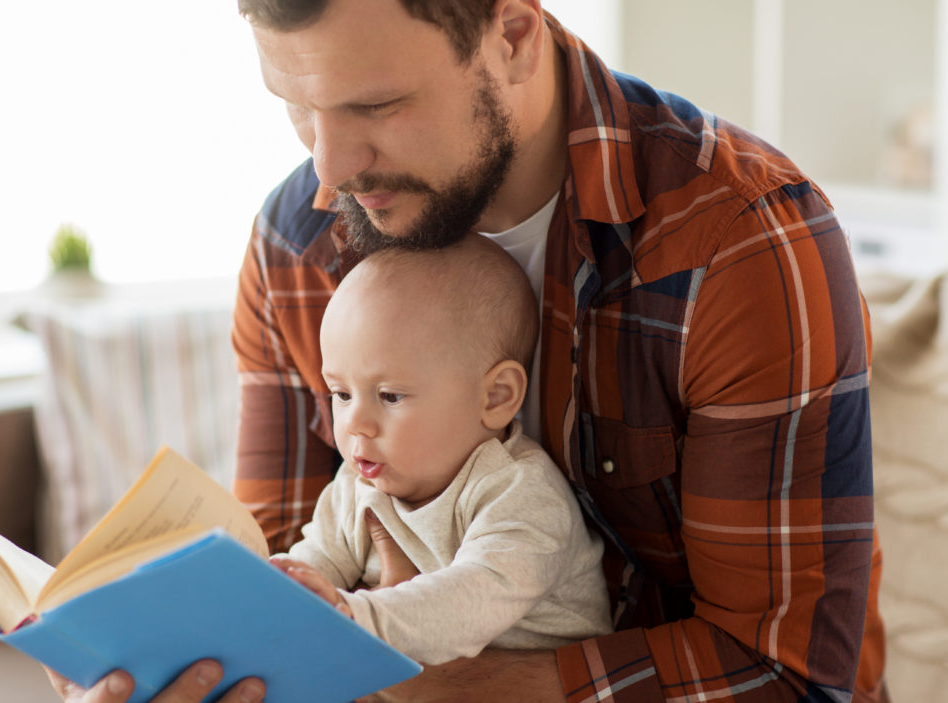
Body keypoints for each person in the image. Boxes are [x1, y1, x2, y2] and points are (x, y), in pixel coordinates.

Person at [50, 0, 887, 700]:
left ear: (513, 39)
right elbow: (291, 570)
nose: (327, 170)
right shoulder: (297, 244)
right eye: (297, 107)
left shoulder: (741, 242)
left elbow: (788, 674)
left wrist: (455, 683)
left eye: (375, 107)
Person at [270, 234, 611, 665]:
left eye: (390, 396)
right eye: (340, 393)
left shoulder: (520, 493)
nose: (355, 422)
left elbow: (466, 603)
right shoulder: (358, 482)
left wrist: (351, 614)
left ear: (496, 397)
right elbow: (315, 561)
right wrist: (278, 589)